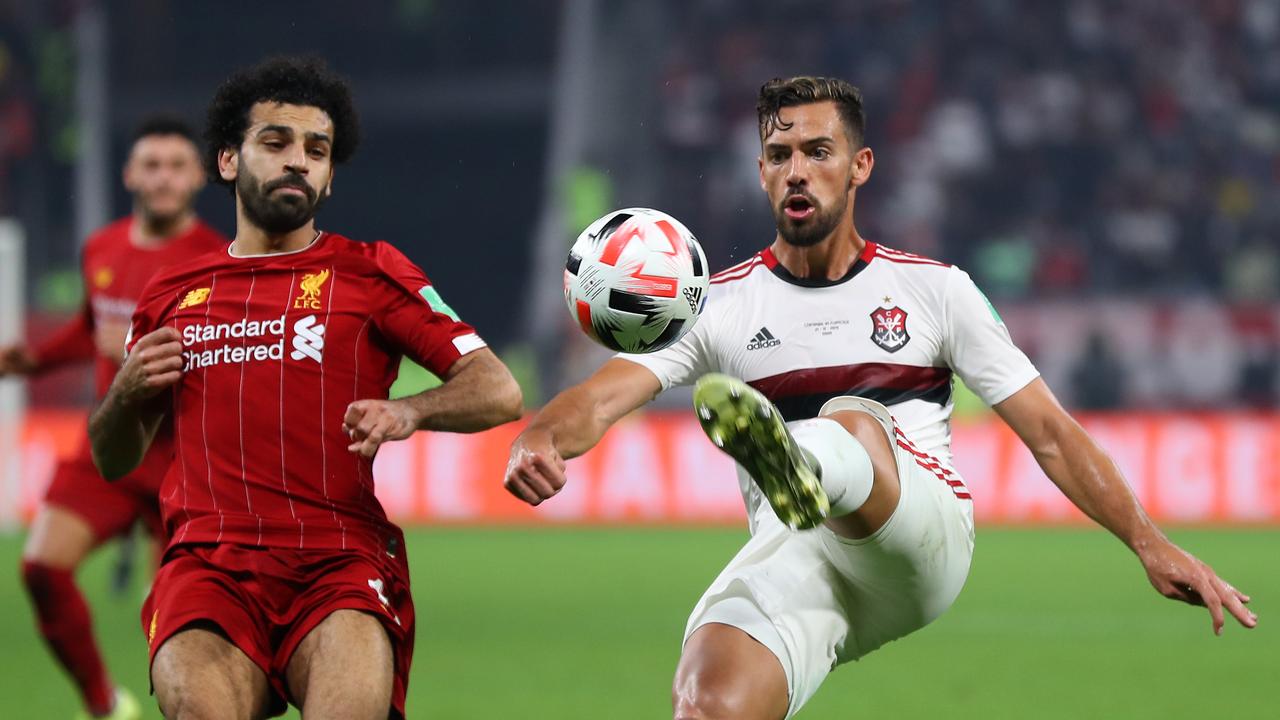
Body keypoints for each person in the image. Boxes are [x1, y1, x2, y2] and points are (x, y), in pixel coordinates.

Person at [504, 77, 1257, 720]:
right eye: (778, 155)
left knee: (852, 417)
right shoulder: (715, 306)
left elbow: (1051, 434)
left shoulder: (934, 290)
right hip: (803, 554)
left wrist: (1149, 543)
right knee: (708, 701)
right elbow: (597, 401)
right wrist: (538, 436)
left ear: (860, 166)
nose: (796, 171)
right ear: (761, 174)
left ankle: (802, 464)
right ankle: (797, 475)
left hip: (919, 540)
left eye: (817, 152)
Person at [87, 57, 522, 720]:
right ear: (228, 162)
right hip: (208, 561)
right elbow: (113, 458)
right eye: (276, 143)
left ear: (328, 175)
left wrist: (411, 410)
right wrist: (124, 392)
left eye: (317, 151)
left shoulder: (370, 272)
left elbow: (497, 388)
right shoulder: (169, 297)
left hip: (337, 561)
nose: (299, 161)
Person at [1, 115, 226, 720]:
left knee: (172, 617)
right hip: (110, 446)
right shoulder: (102, 247)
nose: (162, 178)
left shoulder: (215, 260)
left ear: (198, 177)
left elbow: (227, 362)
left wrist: (134, 354)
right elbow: (90, 327)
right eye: (150, 165)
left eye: (176, 166)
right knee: (41, 569)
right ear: (130, 173)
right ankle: (104, 704)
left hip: (183, 460)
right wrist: (34, 361)